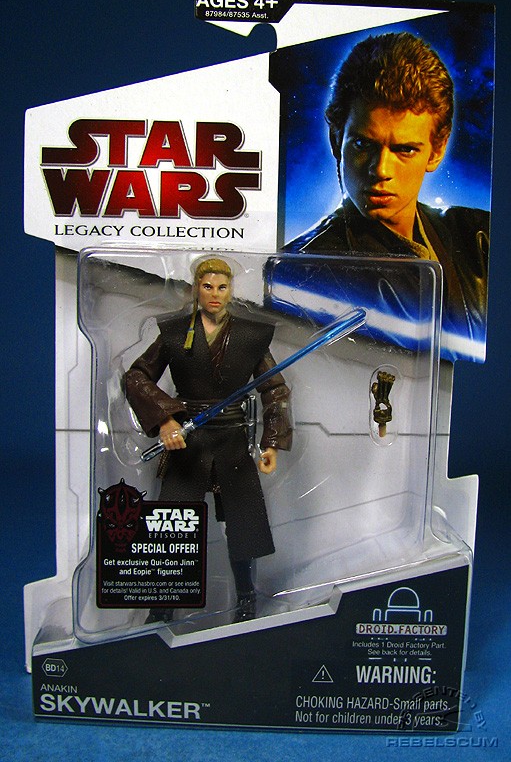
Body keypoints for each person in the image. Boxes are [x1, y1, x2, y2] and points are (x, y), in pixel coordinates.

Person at [284, 32, 489, 346]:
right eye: (363, 145)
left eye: (405, 150)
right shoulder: (300, 272)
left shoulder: (479, 238)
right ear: (337, 140)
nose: (380, 170)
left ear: (437, 150)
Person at [125, 257, 292, 622]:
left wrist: (272, 442)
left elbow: (275, 390)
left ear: (231, 290)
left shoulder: (249, 335)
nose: (215, 294)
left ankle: (246, 597)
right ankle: (162, 603)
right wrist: (166, 419)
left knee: (240, 525)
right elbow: (136, 377)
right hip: (187, 441)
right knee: (173, 524)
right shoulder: (174, 333)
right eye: (207, 286)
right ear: (196, 289)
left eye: (222, 287)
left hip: (232, 441)